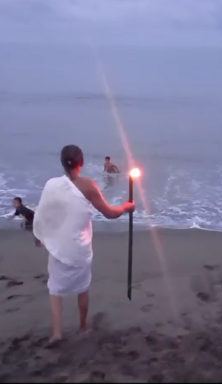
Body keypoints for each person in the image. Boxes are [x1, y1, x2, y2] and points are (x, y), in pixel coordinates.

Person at [33, 145, 134, 347]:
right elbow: (110, 213)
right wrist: (125, 207)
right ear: (82, 163)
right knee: (82, 288)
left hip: (58, 248)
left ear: (62, 163)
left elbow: (42, 214)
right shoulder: (88, 185)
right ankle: (82, 326)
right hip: (79, 249)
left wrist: (39, 236)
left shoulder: (51, 185)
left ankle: (57, 332)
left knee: (55, 291)